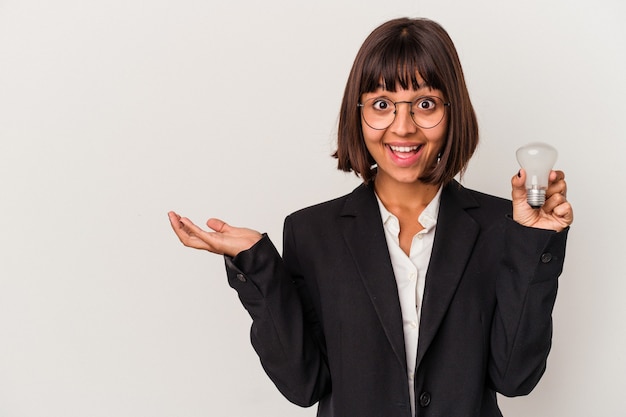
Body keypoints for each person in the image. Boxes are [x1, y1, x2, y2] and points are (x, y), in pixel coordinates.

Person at [168, 17, 573, 417]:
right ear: (357, 112)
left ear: (453, 112)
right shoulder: (312, 233)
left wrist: (533, 242)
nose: (403, 127)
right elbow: (303, 384)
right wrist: (256, 265)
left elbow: (515, 378)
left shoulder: (502, 226)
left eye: (425, 104)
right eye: (382, 105)